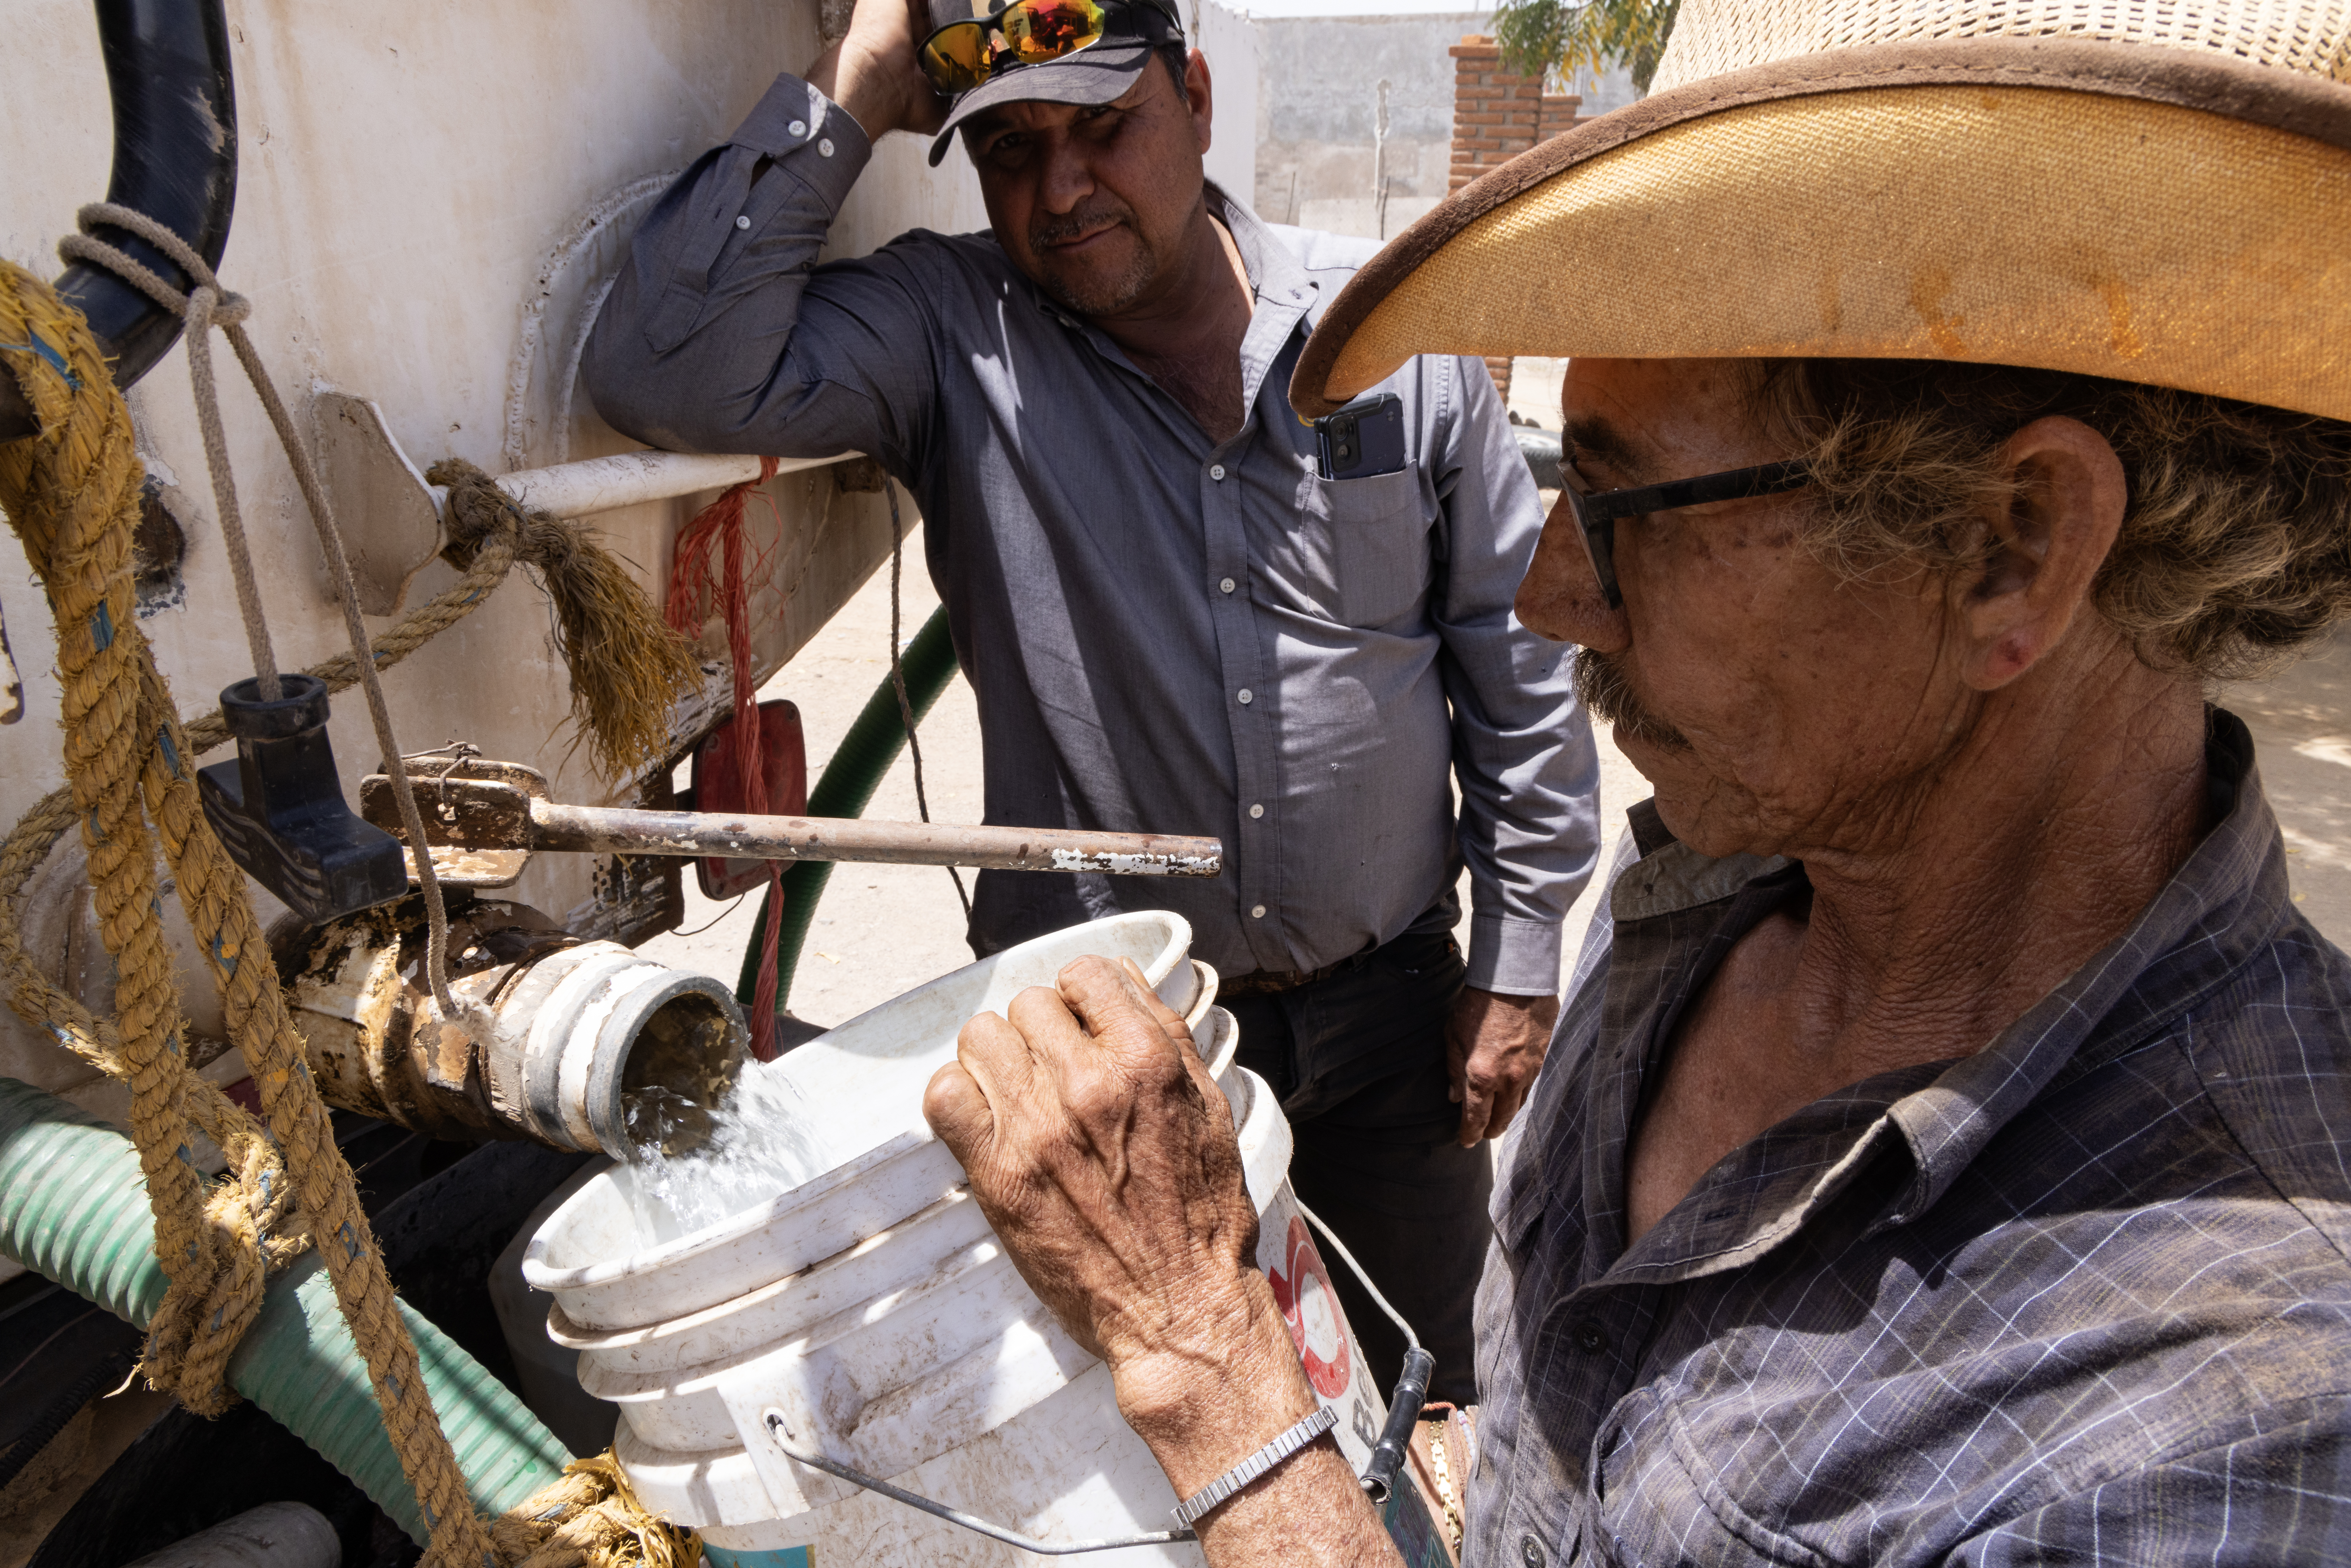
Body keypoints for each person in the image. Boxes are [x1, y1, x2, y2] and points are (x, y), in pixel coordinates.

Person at [917, 0, 2351, 1561]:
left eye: (1617, 498)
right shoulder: (1708, 907)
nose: (1550, 597)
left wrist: (1211, 1368)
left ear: (2011, 547)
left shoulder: (2234, 1405)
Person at [583, 0, 1601, 1404]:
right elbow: (660, 366)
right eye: (1008, 149)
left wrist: (1523, 952)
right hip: (1097, 1049)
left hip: (1394, 1030)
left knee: (1419, 1406)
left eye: (1102, 129)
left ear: (1192, 94)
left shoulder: (1386, 333)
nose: (1059, 189)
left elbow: (1514, 660)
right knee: (1147, 1436)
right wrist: (867, 79)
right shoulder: (950, 336)